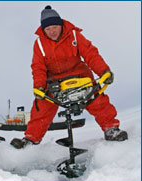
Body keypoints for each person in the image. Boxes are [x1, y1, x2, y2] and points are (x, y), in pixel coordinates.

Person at [10, 5, 128, 149]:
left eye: (54, 27)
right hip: (55, 80)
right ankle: (30, 139)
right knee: (42, 105)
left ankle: (111, 129)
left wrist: (104, 71)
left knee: (97, 99)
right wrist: (39, 86)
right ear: (43, 30)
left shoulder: (74, 35)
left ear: (60, 24)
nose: (52, 31)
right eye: (48, 29)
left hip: (79, 75)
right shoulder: (39, 43)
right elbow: (38, 67)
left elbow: (91, 54)